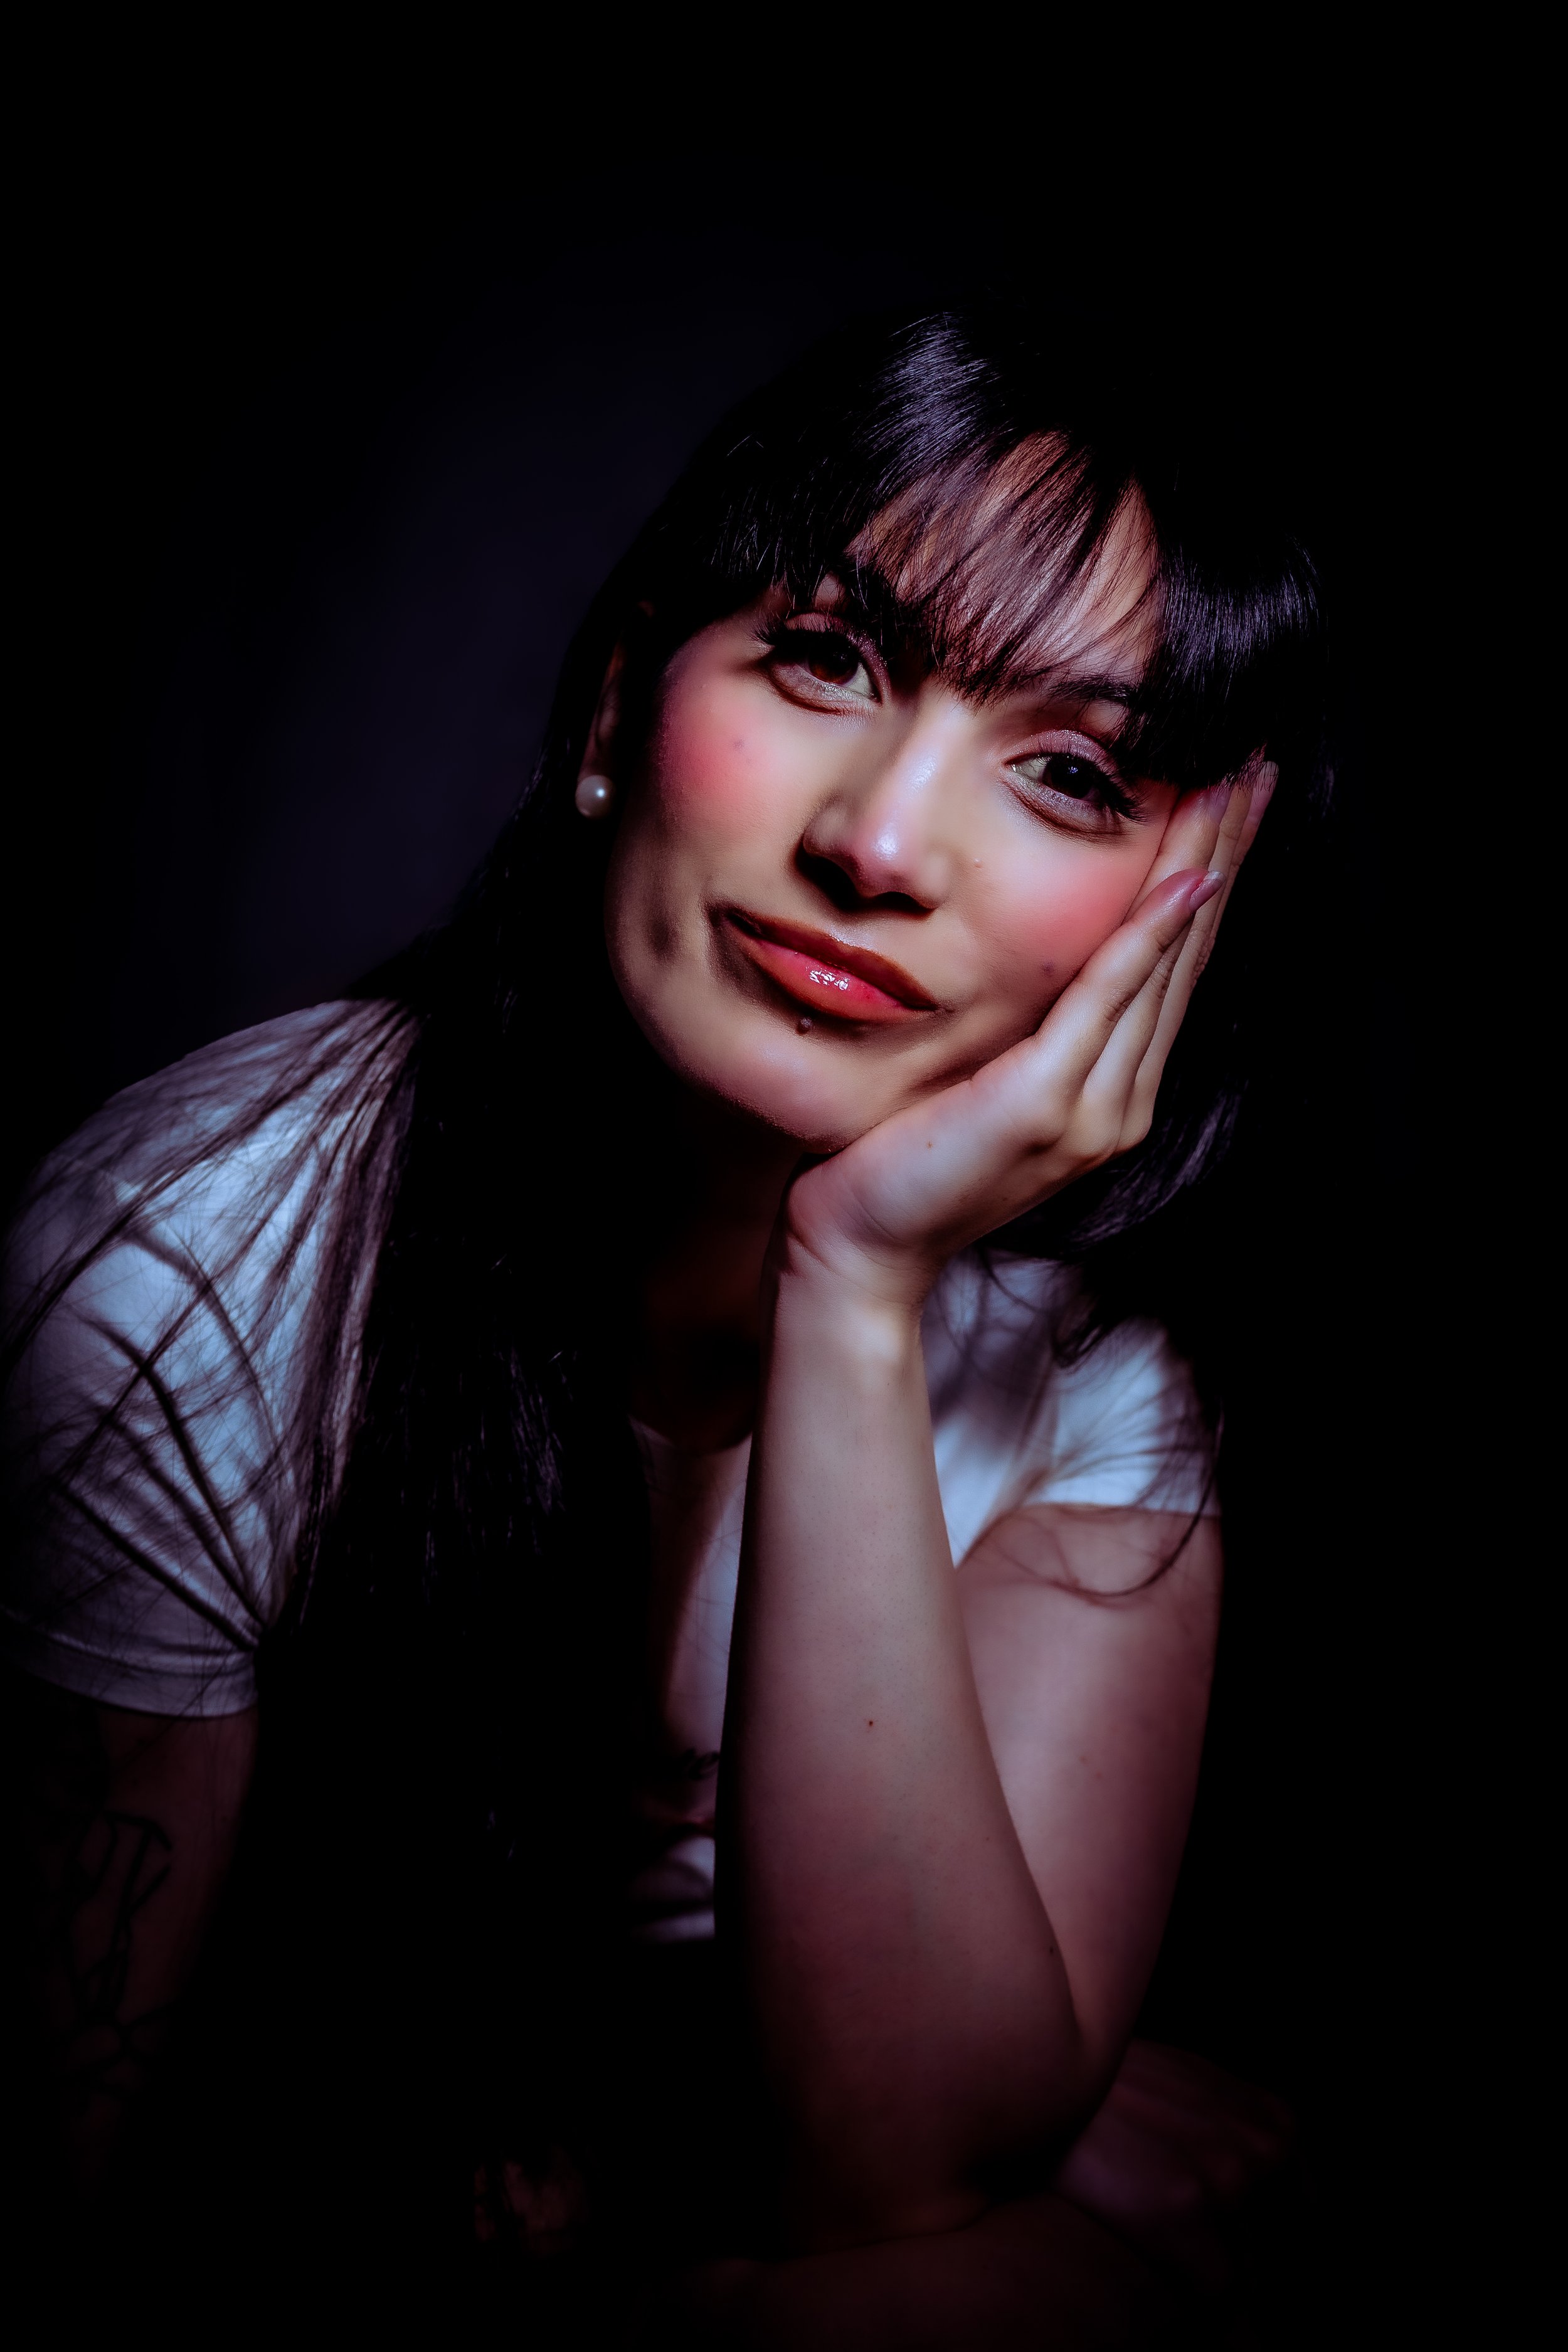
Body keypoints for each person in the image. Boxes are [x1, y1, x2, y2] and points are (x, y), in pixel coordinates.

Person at [2, 309, 1325, 2343]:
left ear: (1194, 895)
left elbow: (883, 2163)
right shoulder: (202, 1257)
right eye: (824, 662)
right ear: (621, 694)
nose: (875, 848)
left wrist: (858, 1289)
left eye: (1064, 774)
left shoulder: (1093, 1358)